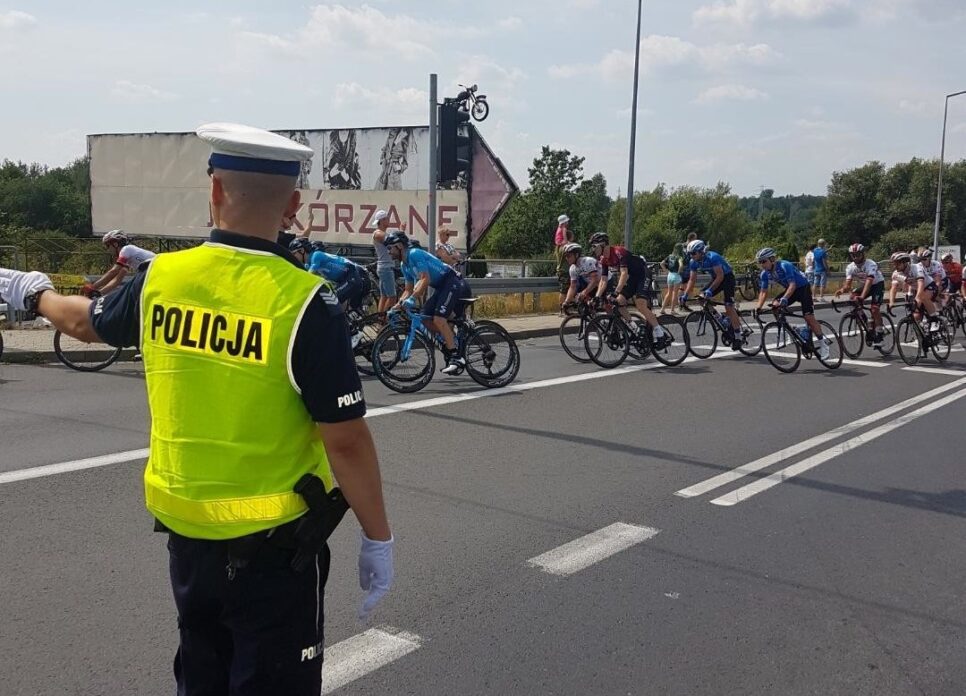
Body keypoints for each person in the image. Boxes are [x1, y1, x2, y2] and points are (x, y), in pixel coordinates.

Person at [0, 123, 394, 695]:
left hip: (187, 546)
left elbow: (85, 322)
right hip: (274, 554)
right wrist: (377, 537)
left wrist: (32, 293)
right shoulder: (305, 302)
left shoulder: (161, 278)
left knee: (202, 678)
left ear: (213, 192)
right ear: (292, 205)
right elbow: (347, 441)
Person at [384, 230, 472, 374]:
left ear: (399, 246)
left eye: (390, 248)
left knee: (438, 318)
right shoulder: (403, 265)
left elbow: (425, 279)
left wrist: (413, 298)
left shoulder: (414, 254)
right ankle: (450, 339)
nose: (388, 252)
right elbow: (408, 289)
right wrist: (396, 306)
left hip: (452, 281)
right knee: (425, 318)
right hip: (442, 286)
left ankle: (457, 357)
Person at [589, 232, 669, 347]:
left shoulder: (618, 252)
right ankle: (635, 329)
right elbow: (603, 280)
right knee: (619, 302)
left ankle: (659, 333)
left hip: (643, 274)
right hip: (632, 278)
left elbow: (624, 274)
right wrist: (597, 296)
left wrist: (616, 292)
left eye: (594, 246)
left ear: (603, 245)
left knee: (640, 304)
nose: (593, 249)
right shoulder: (604, 259)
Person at [755, 247, 833, 359]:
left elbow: (793, 285)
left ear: (772, 259)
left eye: (764, 261)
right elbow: (763, 292)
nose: (762, 264)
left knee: (808, 317)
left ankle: (823, 344)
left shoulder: (784, 265)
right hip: (791, 290)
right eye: (760, 262)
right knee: (775, 306)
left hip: (802, 288)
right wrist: (758, 307)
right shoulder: (764, 274)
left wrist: (785, 299)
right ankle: (790, 329)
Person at [680, 239, 743, 348]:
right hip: (716, 278)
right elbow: (692, 280)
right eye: (690, 254)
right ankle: (721, 319)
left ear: (701, 252)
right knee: (701, 298)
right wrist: (685, 295)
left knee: (729, 306)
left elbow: (720, 276)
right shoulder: (693, 262)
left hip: (727, 278)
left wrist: (710, 290)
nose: (692, 256)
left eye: (694, 253)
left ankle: (738, 337)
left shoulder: (713, 257)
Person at [834, 243, 886, 344]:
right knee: (853, 299)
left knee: (874, 309)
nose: (856, 257)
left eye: (858, 254)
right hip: (864, 285)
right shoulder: (850, 267)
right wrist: (842, 290)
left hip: (877, 284)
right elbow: (848, 284)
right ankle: (868, 324)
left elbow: (869, 281)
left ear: (863, 254)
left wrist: (862, 296)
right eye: (853, 255)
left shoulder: (870, 264)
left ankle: (880, 332)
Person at [87, 230, 156, 296]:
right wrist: (99, 293)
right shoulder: (127, 257)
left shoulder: (126, 249)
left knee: (130, 291)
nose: (107, 249)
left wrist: (93, 287)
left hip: (156, 271)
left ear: (115, 244)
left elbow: (113, 271)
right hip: (153, 274)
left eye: (108, 246)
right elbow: (117, 281)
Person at [371, 209, 398, 314]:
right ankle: (386, 321)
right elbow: (391, 242)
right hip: (385, 267)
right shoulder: (378, 234)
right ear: (382, 221)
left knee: (384, 296)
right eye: (387, 218)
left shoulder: (382, 233)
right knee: (392, 297)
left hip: (385, 267)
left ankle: (380, 321)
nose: (389, 220)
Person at [913, 247, 946, 327]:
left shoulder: (935, 264)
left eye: (924, 259)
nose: (922, 261)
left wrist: (935, 295)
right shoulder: (918, 266)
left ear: (929, 258)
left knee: (934, 297)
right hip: (927, 284)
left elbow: (938, 282)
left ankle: (940, 313)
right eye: (920, 259)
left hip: (942, 281)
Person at [560, 242, 601, 307]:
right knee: (583, 303)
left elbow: (595, 280)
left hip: (604, 282)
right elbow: (572, 286)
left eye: (569, 256)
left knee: (605, 305)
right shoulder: (572, 268)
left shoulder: (587, 261)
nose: (567, 258)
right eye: (566, 256)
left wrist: (584, 292)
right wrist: (566, 302)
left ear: (576, 255)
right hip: (592, 285)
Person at [554, 215, 574, 310]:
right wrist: (570, 243)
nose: (568, 223)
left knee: (565, 290)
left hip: (561, 270)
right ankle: (562, 309)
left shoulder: (558, 247)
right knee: (564, 290)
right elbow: (565, 240)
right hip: (564, 271)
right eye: (567, 222)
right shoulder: (563, 229)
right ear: (564, 222)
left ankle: (565, 308)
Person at [660, 243, 684, 314]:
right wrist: (679, 272)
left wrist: (666, 271)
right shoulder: (679, 257)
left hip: (670, 275)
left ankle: (662, 309)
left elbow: (661, 263)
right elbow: (681, 265)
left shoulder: (670, 256)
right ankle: (672, 310)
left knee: (669, 293)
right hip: (676, 275)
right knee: (675, 293)